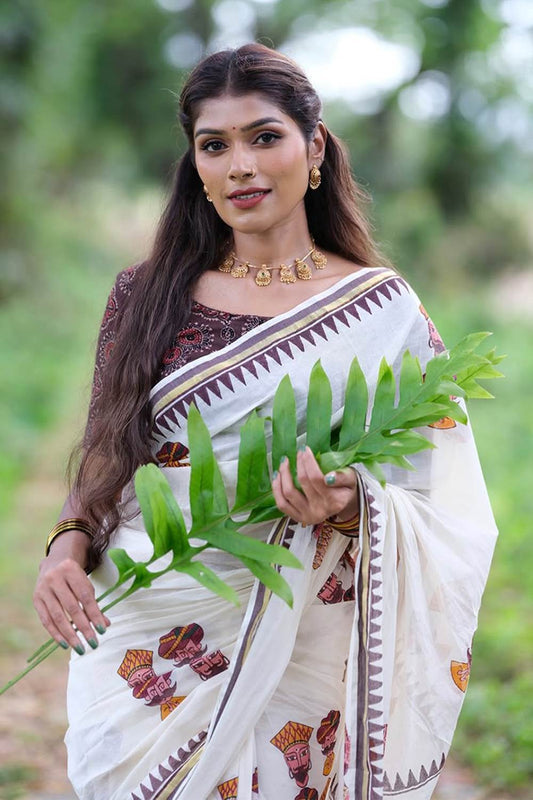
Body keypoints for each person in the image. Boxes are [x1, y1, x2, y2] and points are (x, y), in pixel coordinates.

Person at [33, 43, 497, 800]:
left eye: (264, 137)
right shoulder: (145, 296)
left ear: (313, 147)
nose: (239, 165)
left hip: (302, 624)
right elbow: (107, 453)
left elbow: (440, 495)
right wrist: (65, 547)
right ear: (195, 164)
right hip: (152, 618)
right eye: (214, 145)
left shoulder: (381, 311)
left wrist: (349, 508)